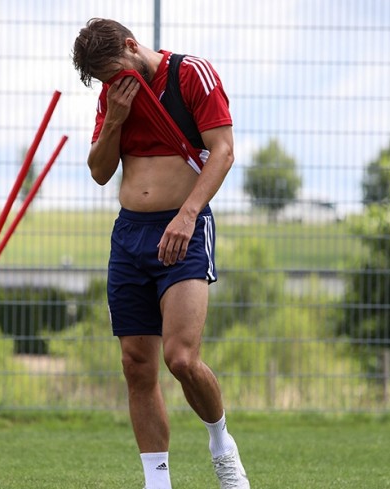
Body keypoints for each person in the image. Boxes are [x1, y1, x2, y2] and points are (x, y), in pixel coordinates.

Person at [72, 18, 249, 489]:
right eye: (104, 80)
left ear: (132, 46)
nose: (113, 84)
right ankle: (157, 482)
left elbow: (223, 151)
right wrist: (114, 119)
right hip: (130, 235)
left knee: (181, 358)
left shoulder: (191, 75)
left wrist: (188, 215)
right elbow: (99, 172)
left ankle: (222, 446)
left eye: (115, 72)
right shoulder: (112, 97)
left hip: (183, 229)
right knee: (136, 365)